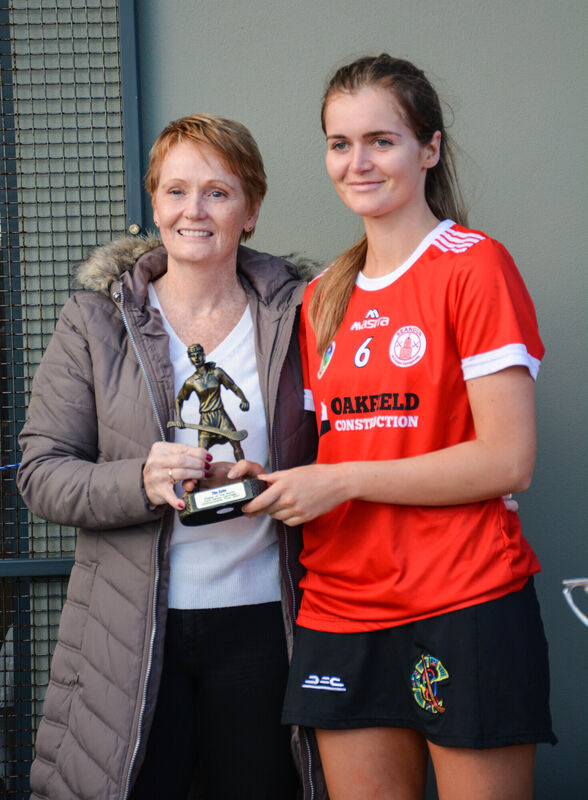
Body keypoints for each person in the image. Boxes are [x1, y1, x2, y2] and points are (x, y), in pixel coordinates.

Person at [244, 54, 556, 800]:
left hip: (465, 601)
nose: (358, 162)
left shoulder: (474, 267)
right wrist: (255, 481)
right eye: (339, 143)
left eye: (381, 140)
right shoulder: (320, 298)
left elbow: (508, 460)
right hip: (342, 607)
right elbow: (333, 451)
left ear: (430, 148)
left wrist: (343, 480)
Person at [17, 114, 326, 799]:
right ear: (155, 204)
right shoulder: (95, 320)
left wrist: (281, 482)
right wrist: (141, 479)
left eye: (218, 192)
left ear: (250, 210)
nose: (195, 210)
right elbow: (41, 473)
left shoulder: (305, 316)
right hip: (130, 631)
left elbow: (346, 453)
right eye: (177, 190)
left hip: (268, 624)